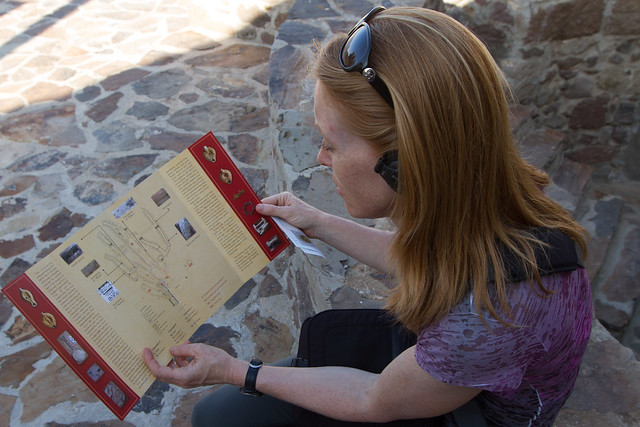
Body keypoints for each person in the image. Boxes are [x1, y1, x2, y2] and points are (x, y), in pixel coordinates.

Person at [143, 6, 592, 426]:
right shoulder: (484, 197)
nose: (320, 158)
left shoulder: (487, 317)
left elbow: (371, 400)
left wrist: (233, 369)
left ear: (404, 162)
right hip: (448, 374)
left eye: (333, 144)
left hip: (465, 410)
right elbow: (436, 263)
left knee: (217, 417)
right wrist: (315, 221)